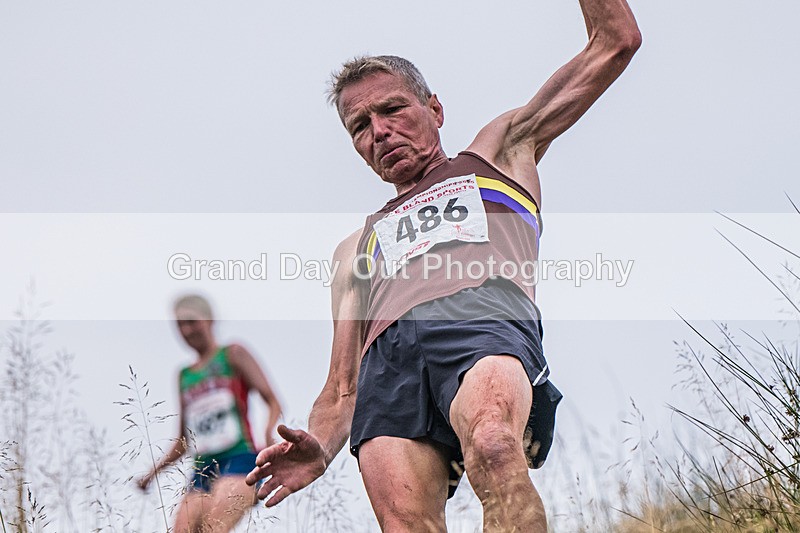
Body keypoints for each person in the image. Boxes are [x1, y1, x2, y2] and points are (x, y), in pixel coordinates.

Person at [247, 0, 641, 530]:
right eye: (360, 125)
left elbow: (614, 42)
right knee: (405, 524)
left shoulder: (498, 153)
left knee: (494, 445)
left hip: (478, 319)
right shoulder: (354, 249)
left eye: (392, 109)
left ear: (434, 109)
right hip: (389, 366)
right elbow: (342, 386)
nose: (379, 131)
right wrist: (319, 444)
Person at [138, 294, 283, 533]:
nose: (186, 330)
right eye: (180, 325)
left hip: (240, 459)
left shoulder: (233, 354)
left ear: (209, 319)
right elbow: (183, 440)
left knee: (213, 528)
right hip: (202, 469)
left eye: (192, 321)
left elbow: (273, 401)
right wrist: (152, 474)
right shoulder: (184, 376)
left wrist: (269, 435)